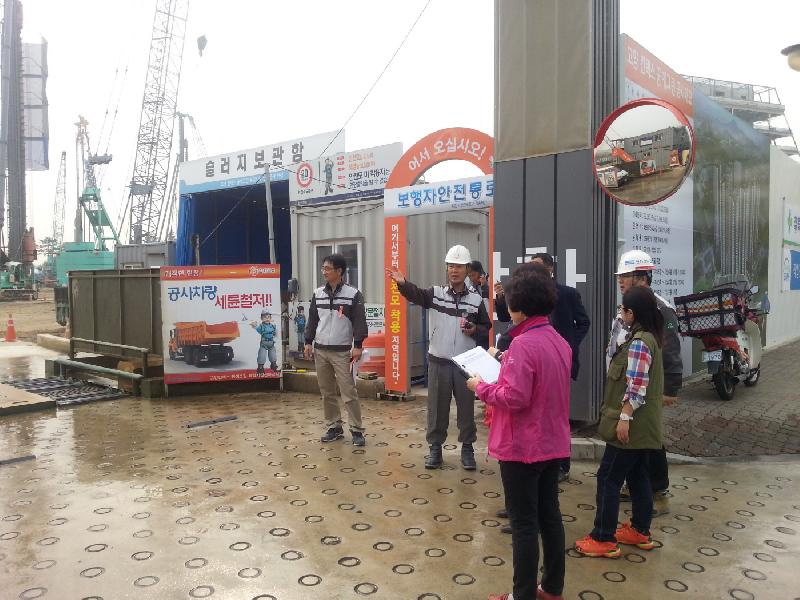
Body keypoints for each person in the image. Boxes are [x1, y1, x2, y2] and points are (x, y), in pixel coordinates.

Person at [467, 264, 570, 600]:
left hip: (522, 447)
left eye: (508, 301)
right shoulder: (558, 340)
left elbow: (515, 397)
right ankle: (551, 588)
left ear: (519, 306)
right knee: (550, 517)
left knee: (524, 524)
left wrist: (481, 387)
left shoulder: (524, 344)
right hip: (552, 444)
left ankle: (522, 595)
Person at [576, 285, 665, 558]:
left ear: (632, 313)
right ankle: (640, 530)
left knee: (608, 478)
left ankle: (603, 537)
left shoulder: (639, 343)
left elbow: (636, 387)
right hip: (643, 428)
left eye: (623, 309)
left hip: (631, 427)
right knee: (638, 476)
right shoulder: (648, 337)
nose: (620, 313)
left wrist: (624, 418)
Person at [386, 244, 491, 470]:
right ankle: (435, 449)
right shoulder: (435, 294)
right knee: (436, 408)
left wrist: (475, 329)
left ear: (467, 269)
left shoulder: (475, 300)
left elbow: (486, 328)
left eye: (459, 266)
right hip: (438, 361)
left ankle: (467, 449)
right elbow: (416, 294)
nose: (454, 270)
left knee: (466, 408)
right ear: (447, 268)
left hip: (465, 365)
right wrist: (402, 283)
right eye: (451, 266)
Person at [495, 253, 591, 481]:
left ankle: (560, 464)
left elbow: (583, 322)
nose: (532, 271)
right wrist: (500, 298)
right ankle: (542, 462)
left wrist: (568, 345)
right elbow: (506, 317)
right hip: (531, 361)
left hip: (555, 361)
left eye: (537, 266)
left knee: (555, 413)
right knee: (536, 413)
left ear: (550, 269)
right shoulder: (524, 303)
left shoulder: (567, 294)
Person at [611, 249, 682, 517]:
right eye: (620, 276)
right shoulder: (626, 307)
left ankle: (659, 492)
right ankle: (636, 486)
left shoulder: (661, 309)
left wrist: (670, 389)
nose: (621, 280)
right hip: (628, 384)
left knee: (650, 439)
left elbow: (671, 350)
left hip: (649, 387)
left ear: (642, 277)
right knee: (633, 438)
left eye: (626, 275)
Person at [304, 254, 368, 447]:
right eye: (323, 268)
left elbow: (359, 321)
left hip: (342, 352)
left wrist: (358, 345)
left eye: (327, 268)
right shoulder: (318, 294)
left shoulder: (353, 295)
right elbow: (312, 320)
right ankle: (334, 427)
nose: (324, 272)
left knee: (348, 391)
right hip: (320, 350)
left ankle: (356, 430)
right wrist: (308, 342)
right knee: (327, 392)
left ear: (339, 271)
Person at [468, 260, 491, 350]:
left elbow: (493, 299)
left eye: (473, 275)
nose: (471, 278)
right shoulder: (471, 288)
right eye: (469, 276)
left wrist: (485, 286)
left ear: (480, 272)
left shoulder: (490, 280)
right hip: (481, 322)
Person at [250, 310, 278, 375]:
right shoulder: (261, 326)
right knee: (262, 355)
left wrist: (276, 338)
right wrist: (254, 325)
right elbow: (257, 328)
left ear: (270, 318)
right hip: (264, 343)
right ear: (262, 318)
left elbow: (275, 334)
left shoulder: (273, 326)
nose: (267, 319)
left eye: (268, 317)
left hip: (271, 343)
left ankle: (273, 365)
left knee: (273, 355)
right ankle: (260, 367)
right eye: (265, 317)